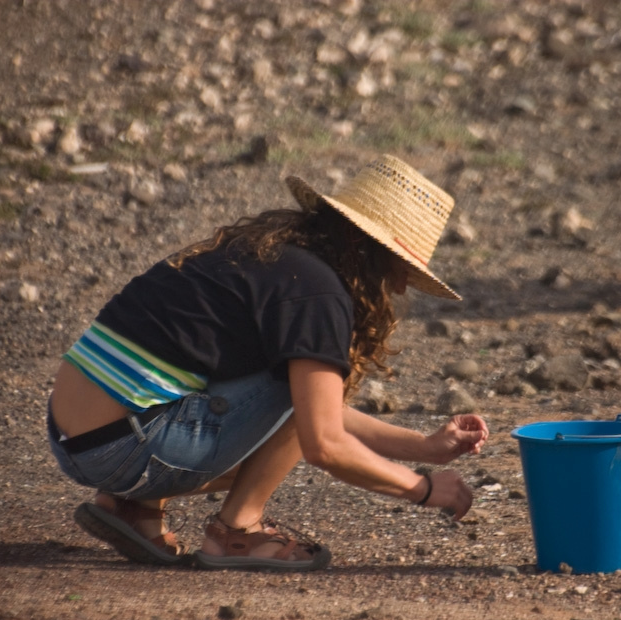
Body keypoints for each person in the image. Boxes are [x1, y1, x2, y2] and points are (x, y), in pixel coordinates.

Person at [46, 154, 490, 571]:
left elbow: (298, 410)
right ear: (363, 246)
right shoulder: (318, 293)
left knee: (286, 389)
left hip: (75, 440)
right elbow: (323, 442)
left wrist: (424, 447)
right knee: (297, 394)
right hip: (129, 449)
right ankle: (237, 531)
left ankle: (133, 507)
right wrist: (422, 488)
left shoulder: (261, 256)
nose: (398, 287)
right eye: (398, 267)